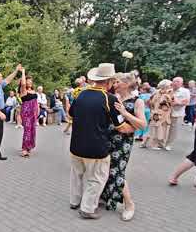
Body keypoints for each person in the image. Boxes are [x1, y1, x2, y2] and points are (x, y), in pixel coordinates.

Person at [69, 63, 134, 220]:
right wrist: (134, 127)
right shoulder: (109, 99)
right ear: (109, 81)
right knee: (97, 178)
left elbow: (70, 115)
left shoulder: (81, 94)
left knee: (76, 175)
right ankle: (88, 208)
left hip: (76, 145)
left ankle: (74, 201)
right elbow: (121, 127)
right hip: (96, 148)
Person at [100, 72, 147, 221]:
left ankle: (129, 204)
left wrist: (125, 112)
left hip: (122, 141)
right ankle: (106, 197)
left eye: (118, 81)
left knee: (117, 172)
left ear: (127, 84)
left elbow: (142, 125)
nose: (114, 84)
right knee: (105, 168)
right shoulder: (112, 97)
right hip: (106, 138)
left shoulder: (137, 101)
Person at [140, 79, 174, 149]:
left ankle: (145, 143)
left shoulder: (156, 92)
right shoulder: (166, 94)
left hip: (156, 113)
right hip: (160, 114)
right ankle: (154, 145)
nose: (171, 87)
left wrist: (152, 109)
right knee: (156, 129)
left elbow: (149, 102)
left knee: (153, 129)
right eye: (170, 85)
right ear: (166, 86)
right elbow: (167, 104)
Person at [166, 76, 190, 151]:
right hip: (166, 112)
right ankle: (161, 142)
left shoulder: (185, 91)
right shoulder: (168, 90)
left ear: (181, 83)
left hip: (177, 113)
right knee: (164, 127)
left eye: (177, 82)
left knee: (173, 129)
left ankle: (169, 144)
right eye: (174, 81)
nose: (175, 83)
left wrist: (177, 103)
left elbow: (186, 102)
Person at [18, 68, 39, 157]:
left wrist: (38, 111)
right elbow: (23, 83)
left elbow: (36, 102)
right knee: (27, 130)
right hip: (26, 112)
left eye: (30, 81)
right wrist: (23, 72)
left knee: (32, 130)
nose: (29, 82)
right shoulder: (23, 91)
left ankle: (29, 146)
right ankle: (24, 149)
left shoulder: (33, 91)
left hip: (34, 112)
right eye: (28, 81)